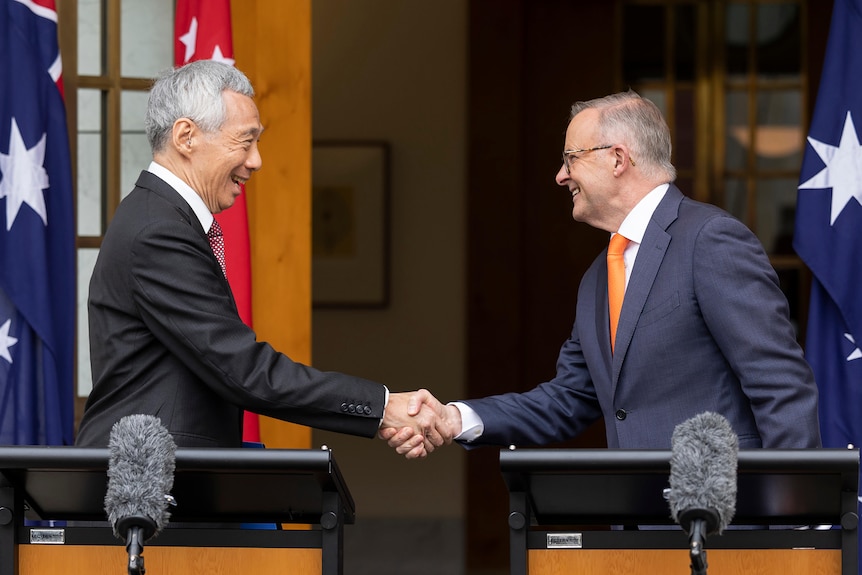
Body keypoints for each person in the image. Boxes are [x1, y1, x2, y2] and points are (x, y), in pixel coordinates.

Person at [382, 90, 821, 456]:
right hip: (635, 532)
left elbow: (779, 384)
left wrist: (794, 518)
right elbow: (569, 398)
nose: (559, 176)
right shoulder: (598, 276)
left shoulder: (709, 239)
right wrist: (452, 418)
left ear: (617, 158)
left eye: (570, 158)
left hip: (728, 526)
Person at [75, 60, 437, 456]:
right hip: (149, 490)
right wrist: (383, 407)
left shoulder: (160, 217)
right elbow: (242, 369)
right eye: (245, 142)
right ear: (186, 136)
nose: (256, 160)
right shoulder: (157, 231)